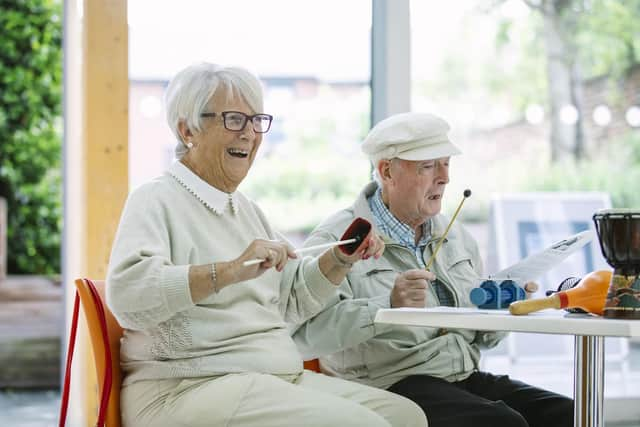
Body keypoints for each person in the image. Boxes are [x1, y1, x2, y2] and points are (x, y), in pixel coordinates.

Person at [106, 63, 428, 427]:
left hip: (269, 376)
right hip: (185, 387)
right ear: (187, 130)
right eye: (233, 120)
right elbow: (129, 298)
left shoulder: (246, 210)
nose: (249, 134)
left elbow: (290, 302)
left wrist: (339, 260)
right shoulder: (155, 199)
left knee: (406, 417)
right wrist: (229, 271)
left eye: (255, 120)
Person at [292, 112, 574, 427]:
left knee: (571, 415)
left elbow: (483, 338)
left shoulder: (456, 236)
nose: (444, 177)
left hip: (461, 374)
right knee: (503, 423)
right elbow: (308, 336)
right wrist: (388, 306)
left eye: (446, 163)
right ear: (387, 171)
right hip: (390, 382)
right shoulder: (339, 240)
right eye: (428, 166)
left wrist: (504, 305)